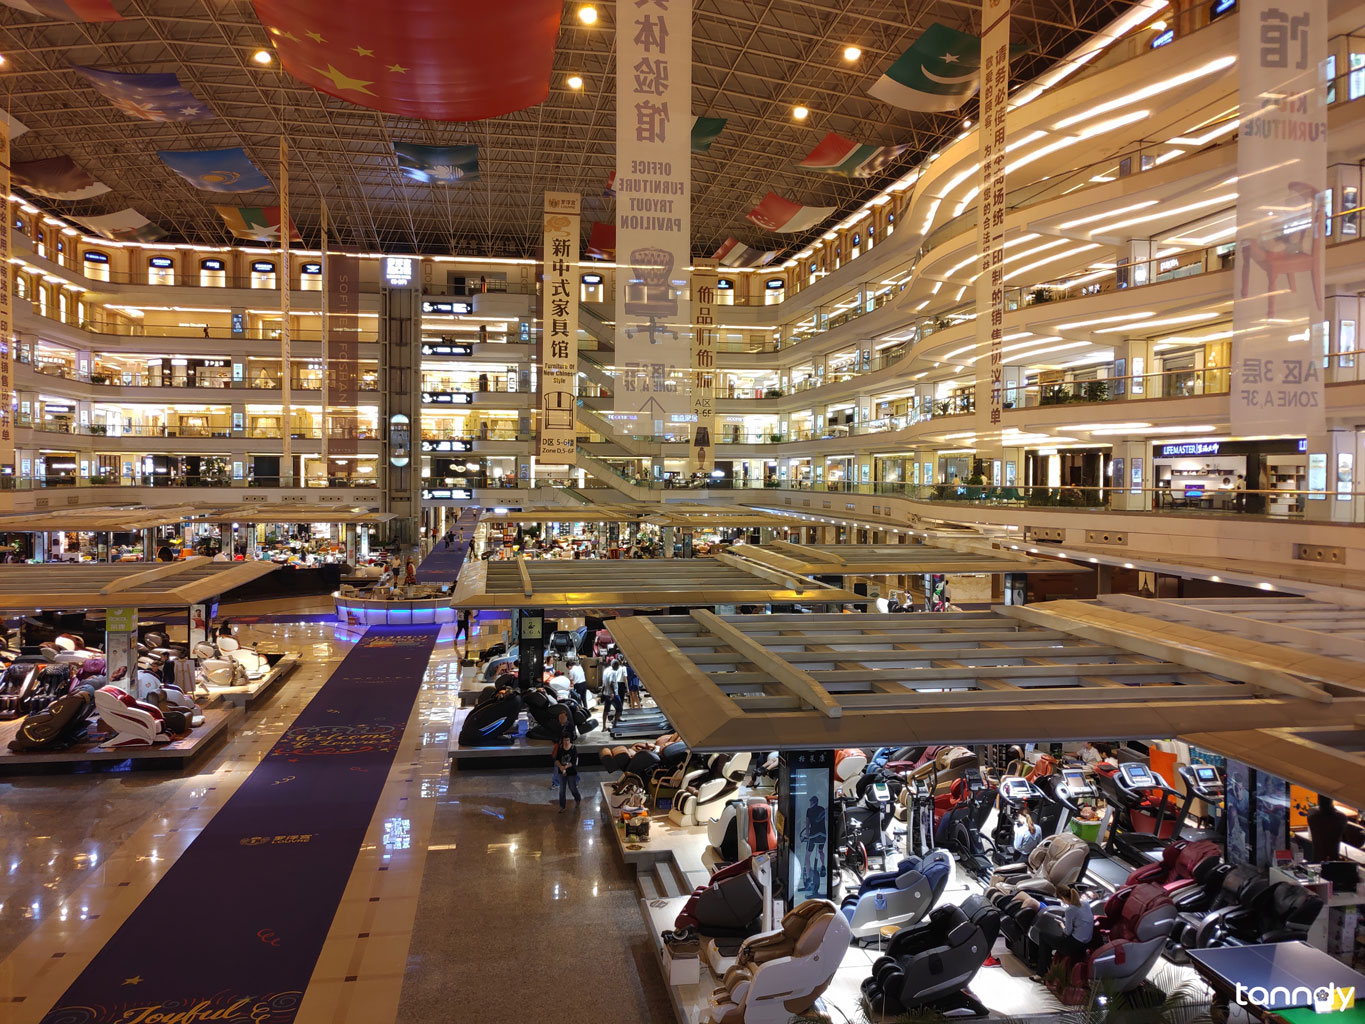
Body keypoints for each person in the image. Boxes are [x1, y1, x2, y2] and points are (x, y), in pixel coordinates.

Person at [1031, 886, 1094, 979]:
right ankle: (1047, 967)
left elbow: (1067, 932)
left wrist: (1061, 924)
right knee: (1052, 939)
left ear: (1063, 898)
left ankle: (1041, 973)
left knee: (1043, 936)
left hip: (1074, 945)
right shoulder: (1085, 903)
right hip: (1086, 943)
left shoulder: (1070, 910)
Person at [802, 794, 827, 894]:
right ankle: (823, 866)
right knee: (820, 850)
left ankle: (808, 878)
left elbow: (808, 825)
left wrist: (807, 835)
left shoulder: (809, 810)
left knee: (807, 855)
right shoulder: (822, 809)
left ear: (812, 802)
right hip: (823, 835)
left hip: (813, 835)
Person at [555, 737, 581, 812]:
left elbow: (573, 761)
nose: (566, 742)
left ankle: (577, 799)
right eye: (564, 740)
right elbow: (557, 759)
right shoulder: (560, 748)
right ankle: (562, 806)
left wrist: (565, 767)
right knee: (562, 789)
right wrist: (560, 767)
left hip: (571, 771)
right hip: (561, 770)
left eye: (567, 740)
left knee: (572, 787)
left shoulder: (573, 748)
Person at [602, 657, 626, 724]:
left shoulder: (606, 670)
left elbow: (604, 683)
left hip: (606, 693)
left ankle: (604, 726)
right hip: (613, 694)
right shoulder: (613, 672)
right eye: (617, 667)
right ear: (615, 666)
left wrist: (602, 693)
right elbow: (611, 683)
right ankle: (615, 723)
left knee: (606, 710)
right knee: (619, 709)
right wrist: (613, 693)